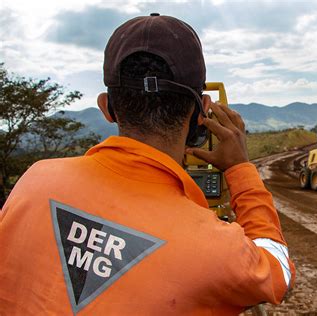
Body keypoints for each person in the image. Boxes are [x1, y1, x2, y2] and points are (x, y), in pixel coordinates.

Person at [0, 13, 295, 315]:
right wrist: (240, 170)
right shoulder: (216, 251)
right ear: (202, 112)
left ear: (106, 107)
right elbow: (279, 272)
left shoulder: (34, 182)